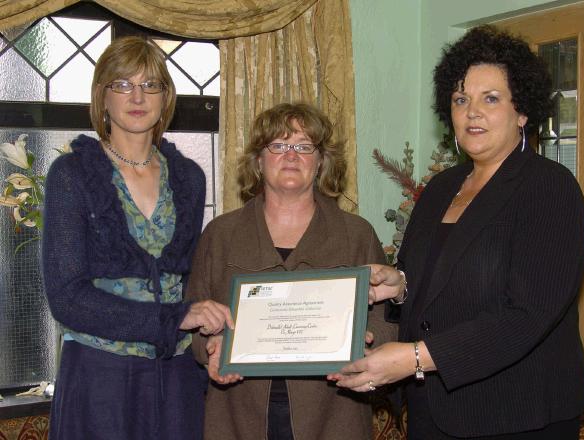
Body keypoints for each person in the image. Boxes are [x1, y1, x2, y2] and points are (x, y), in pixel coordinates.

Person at [329, 25, 584, 439]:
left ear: (522, 111)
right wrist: (398, 284)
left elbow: (527, 316)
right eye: (461, 99)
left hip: (518, 413)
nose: (472, 112)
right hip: (434, 406)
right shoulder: (441, 188)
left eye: (491, 98)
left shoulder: (548, 187)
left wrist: (415, 358)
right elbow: (435, 279)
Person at [42, 36, 232, 440]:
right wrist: (175, 316)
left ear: (166, 98)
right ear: (102, 96)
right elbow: (66, 298)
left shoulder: (190, 178)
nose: (138, 96)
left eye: (151, 85)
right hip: (99, 377)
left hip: (177, 375)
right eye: (122, 84)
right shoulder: (72, 174)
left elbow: (189, 281)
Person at [185, 102, 397, 440]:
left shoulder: (356, 233)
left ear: (321, 161)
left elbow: (385, 319)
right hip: (238, 411)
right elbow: (194, 313)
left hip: (333, 412)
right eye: (279, 145)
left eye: (303, 146)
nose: (291, 155)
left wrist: (369, 345)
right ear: (258, 159)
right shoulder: (220, 234)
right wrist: (210, 346)